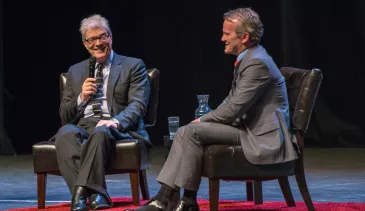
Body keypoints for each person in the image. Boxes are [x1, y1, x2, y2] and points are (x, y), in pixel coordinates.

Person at [128, 7, 298, 211]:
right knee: (185, 131)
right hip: (248, 128)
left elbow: (234, 108)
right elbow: (232, 101)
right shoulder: (251, 58)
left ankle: (178, 201)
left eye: (227, 34)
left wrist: (204, 120)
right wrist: (206, 119)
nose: (222, 38)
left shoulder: (257, 63)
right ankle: (171, 199)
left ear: (244, 37)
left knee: (192, 131)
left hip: (261, 135)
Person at [54, 14, 150, 211]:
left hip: (117, 127)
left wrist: (114, 121)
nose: (98, 43)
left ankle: (80, 197)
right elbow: (65, 115)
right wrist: (81, 97)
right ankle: (96, 195)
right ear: (85, 43)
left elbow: (138, 105)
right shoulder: (75, 71)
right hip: (85, 125)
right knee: (65, 133)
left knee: (100, 131)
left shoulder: (133, 66)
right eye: (92, 39)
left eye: (102, 37)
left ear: (111, 37)